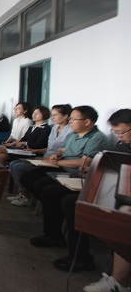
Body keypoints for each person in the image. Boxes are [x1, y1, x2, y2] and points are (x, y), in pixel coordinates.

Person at [22, 106, 110, 272]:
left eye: (74, 119)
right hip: (62, 169)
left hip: (77, 176)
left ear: (87, 121)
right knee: (32, 179)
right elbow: (63, 149)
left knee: (52, 192)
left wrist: (59, 161)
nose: (70, 121)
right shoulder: (74, 134)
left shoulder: (96, 138)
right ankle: (53, 231)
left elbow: (84, 162)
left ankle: (58, 233)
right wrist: (56, 155)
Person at [83, 109, 131, 292]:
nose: (119, 136)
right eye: (116, 132)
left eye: (123, 132)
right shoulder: (122, 146)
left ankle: (119, 283)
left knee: (123, 219)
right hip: (122, 195)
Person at [7, 104, 73, 206]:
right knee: (13, 164)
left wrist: (42, 154)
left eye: (55, 115)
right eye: (52, 115)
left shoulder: (70, 131)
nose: (52, 117)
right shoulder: (54, 128)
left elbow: (65, 151)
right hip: (44, 157)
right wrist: (37, 151)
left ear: (65, 117)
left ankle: (26, 197)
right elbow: (49, 148)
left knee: (19, 167)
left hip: (55, 162)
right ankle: (22, 193)